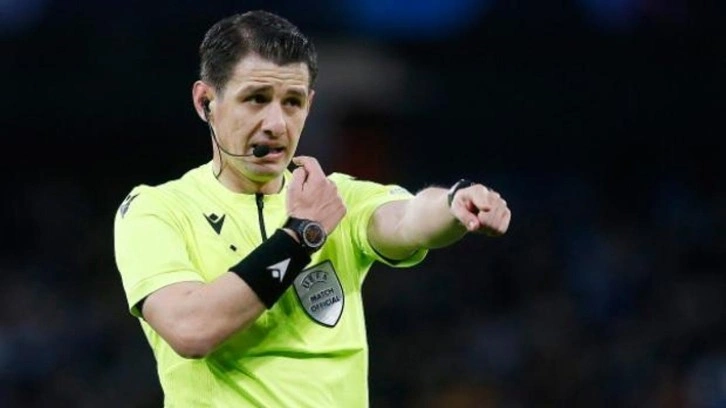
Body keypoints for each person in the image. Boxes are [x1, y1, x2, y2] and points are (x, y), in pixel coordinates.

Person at [113, 9, 511, 407]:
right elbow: (191, 330)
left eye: (292, 102)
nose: (276, 124)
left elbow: (409, 219)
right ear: (205, 102)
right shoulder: (157, 210)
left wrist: (453, 203)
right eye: (256, 99)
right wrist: (301, 236)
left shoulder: (335, 197)